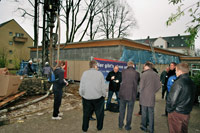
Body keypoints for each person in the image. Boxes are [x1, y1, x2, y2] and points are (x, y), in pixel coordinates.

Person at [167, 63, 196, 133]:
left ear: (180, 71)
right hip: (186, 113)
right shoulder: (191, 82)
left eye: (176, 70)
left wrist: (170, 111)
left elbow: (172, 100)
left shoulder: (178, 83)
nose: (175, 72)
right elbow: (193, 98)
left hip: (177, 113)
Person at [79, 60, 106, 132]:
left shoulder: (85, 73)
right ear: (95, 66)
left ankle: (85, 128)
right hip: (98, 98)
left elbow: (82, 85)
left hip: (87, 98)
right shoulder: (100, 74)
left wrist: (82, 94)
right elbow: (103, 86)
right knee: (99, 114)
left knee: (86, 114)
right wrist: (104, 95)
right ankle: (99, 127)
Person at [139, 62, 161, 133]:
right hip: (151, 96)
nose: (143, 67)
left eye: (144, 66)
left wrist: (140, 91)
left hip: (144, 96)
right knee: (151, 113)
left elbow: (141, 86)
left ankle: (144, 126)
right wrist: (153, 91)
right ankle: (151, 129)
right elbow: (159, 86)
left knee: (144, 112)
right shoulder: (156, 74)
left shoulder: (144, 74)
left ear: (147, 66)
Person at [118, 61, 140, 131]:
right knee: (130, 111)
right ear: (133, 65)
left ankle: (120, 125)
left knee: (121, 110)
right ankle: (127, 126)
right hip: (131, 95)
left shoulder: (123, 71)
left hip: (123, 94)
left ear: (127, 65)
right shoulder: (137, 73)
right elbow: (137, 82)